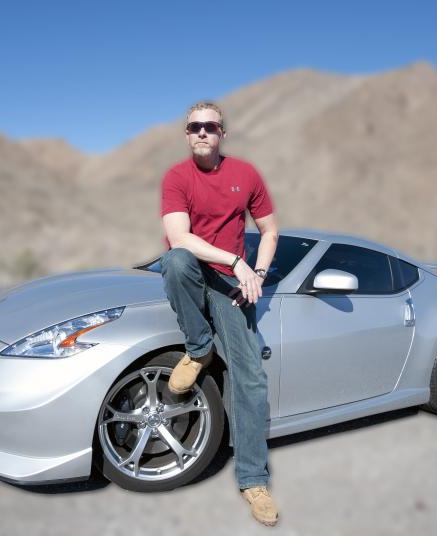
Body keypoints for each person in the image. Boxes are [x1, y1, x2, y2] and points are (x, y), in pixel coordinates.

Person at [159, 101, 280, 526]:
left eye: (210, 126)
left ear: (222, 133)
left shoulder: (245, 174)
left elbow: (270, 230)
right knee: (175, 260)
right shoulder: (177, 178)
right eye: (194, 127)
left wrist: (258, 271)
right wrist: (235, 261)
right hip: (196, 271)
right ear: (187, 134)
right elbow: (179, 239)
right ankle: (198, 347)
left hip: (231, 289)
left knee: (250, 377)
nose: (202, 132)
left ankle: (253, 479)